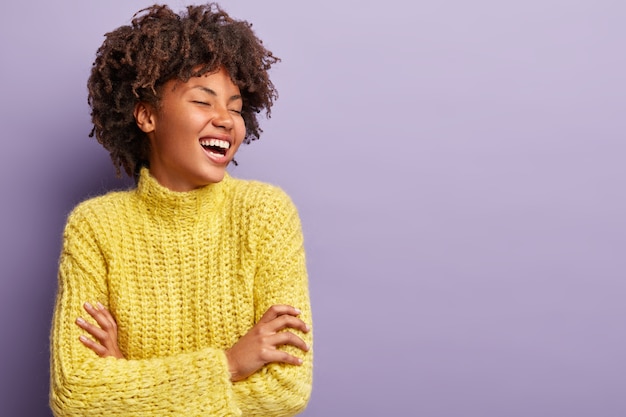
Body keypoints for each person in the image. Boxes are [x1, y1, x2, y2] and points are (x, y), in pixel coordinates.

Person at [49, 3, 312, 416]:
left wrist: (128, 384)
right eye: (203, 102)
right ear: (147, 114)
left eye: (236, 107)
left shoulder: (266, 215)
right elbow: (76, 394)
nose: (226, 119)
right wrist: (230, 363)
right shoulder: (95, 227)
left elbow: (286, 388)